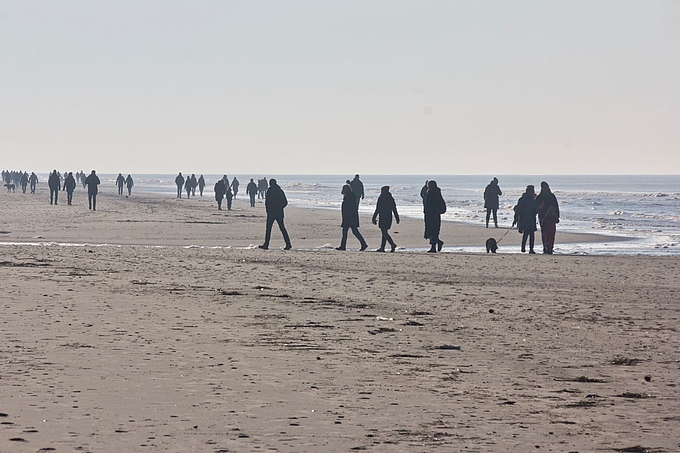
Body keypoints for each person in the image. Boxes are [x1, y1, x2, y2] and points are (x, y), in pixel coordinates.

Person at [259, 179, 292, 250]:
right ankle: (288, 244)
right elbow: (285, 202)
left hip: (272, 213)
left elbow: (267, 202)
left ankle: (266, 244)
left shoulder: (270, 191)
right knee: (282, 228)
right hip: (278, 212)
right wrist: (280, 208)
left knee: (269, 229)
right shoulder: (279, 191)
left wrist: (269, 210)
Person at [337, 184, 368, 251]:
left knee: (351, 231)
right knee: (350, 231)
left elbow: (352, 208)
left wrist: (352, 219)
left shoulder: (350, 196)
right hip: (348, 217)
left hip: (350, 217)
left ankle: (363, 244)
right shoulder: (348, 196)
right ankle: (362, 244)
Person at [372, 186, 400, 252]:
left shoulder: (381, 198)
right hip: (388, 216)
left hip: (383, 216)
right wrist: (397, 217)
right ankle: (383, 247)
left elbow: (377, 209)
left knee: (384, 232)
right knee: (384, 232)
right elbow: (394, 209)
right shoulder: (390, 198)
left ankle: (392, 244)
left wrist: (374, 217)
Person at [512, 185, 538, 254]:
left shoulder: (533, 199)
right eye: (532, 191)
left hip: (531, 218)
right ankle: (523, 247)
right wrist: (515, 219)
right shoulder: (522, 199)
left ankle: (531, 249)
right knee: (526, 233)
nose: (533, 192)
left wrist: (536, 211)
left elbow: (536, 209)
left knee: (531, 234)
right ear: (528, 191)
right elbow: (518, 210)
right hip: (525, 218)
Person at [536, 181, 560, 254]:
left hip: (551, 216)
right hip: (542, 216)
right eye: (544, 188)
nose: (545, 189)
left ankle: (550, 247)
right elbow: (536, 206)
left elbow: (556, 206)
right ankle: (545, 247)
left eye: (546, 187)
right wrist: (539, 208)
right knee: (544, 232)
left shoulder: (551, 196)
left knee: (551, 232)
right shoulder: (540, 197)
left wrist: (557, 215)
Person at [424, 180, 446, 253]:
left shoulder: (430, 192)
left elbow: (428, 203)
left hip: (430, 214)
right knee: (435, 231)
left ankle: (436, 245)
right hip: (436, 214)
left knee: (431, 230)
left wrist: (427, 211)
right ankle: (434, 246)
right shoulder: (437, 192)